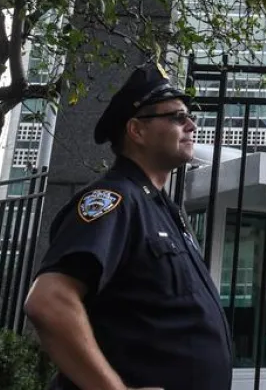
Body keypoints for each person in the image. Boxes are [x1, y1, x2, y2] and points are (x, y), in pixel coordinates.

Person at [24, 62, 232, 390]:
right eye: (177, 116)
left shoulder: (162, 209)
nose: (191, 124)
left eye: (189, 116)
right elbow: (48, 302)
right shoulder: (115, 200)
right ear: (137, 130)